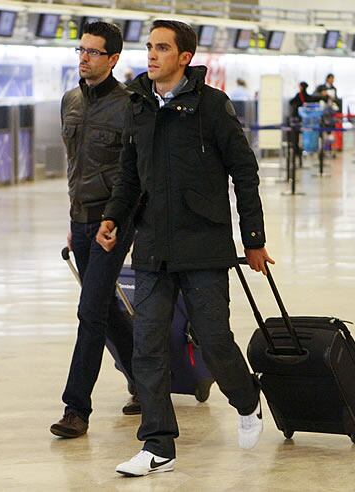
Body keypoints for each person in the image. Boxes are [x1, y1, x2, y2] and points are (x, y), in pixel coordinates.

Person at [95, 20, 274, 477]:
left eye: (162, 48)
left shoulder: (212, 107)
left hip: (204, 245)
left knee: (213, 339)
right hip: (153, 245)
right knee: (148, 346)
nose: (151, 55)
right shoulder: (139, 107)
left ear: (185, 57)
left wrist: (253, 238)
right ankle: (158, 445)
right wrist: (113, 217)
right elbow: (130, 174)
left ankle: (247, 398)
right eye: (149, 46)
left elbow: (244, 172)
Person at [50, 21, 139, 440]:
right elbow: (74, 168)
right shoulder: (70, 102)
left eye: (93, 52)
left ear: (113, 59)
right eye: (80, 50)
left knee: (90, 311)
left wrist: (118, 220)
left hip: (112, 224)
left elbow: (134, 173)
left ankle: (76, 408)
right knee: (106, 308)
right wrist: (73, 219)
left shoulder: (130, 106)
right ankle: (144, 381)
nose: (84, 58)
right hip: (81, 221)